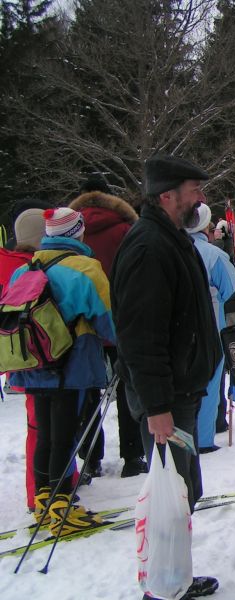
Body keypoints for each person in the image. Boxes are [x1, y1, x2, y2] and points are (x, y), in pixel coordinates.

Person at [111, 154, 222, 600]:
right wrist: (157, 408)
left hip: (181, 394)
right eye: (195, 190)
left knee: (181, 496)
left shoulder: (172, 238)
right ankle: (160, 589)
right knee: (168, 501)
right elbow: (141, 338)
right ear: (167, 195)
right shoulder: (148, 247)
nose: (202, 197)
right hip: (167, 402)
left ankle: (173, 577)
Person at [9, 207, 115, 535]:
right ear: (77, 233)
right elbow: (108, 322)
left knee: (45, 433)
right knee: (66, 435)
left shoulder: (25, 269)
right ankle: (62, 505)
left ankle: (44, 500)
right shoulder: (85, 268)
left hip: (32, 364)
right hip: (71, 365)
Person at [69, 175, 147, 479]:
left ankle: (90, 456)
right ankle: (132, 453)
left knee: (87, 391)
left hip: (81, 324)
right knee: (129, 385)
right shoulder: (125, 228)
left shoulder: (71, 232)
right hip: (121, 319)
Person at [184, 202, 235, 453]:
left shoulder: (166, 247)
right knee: (208, 381)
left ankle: (181, 436)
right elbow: (233, 295)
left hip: (176, 329)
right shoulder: (213, 255)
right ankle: (203, 438)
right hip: (209, 328)